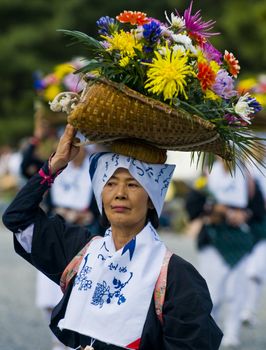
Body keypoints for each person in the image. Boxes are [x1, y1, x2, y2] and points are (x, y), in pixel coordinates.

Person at [2, 124, 223, 350]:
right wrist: (55, 164)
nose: (119, 194)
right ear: (100, 194)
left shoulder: (177, 276)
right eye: (110, 183)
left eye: (132, 184)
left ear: (151, 199)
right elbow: (17, 218)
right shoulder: (80, 252)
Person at [190, 157, 253, 348]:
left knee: (236, 290)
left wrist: (244, 214)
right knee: (212, 291)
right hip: (213, 239)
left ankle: (232, 333)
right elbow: (193, 204)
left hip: (238, 240)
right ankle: (210, 331)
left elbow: (257, 207)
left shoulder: (247, 177)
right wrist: (215, 210)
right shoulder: (208, 174)